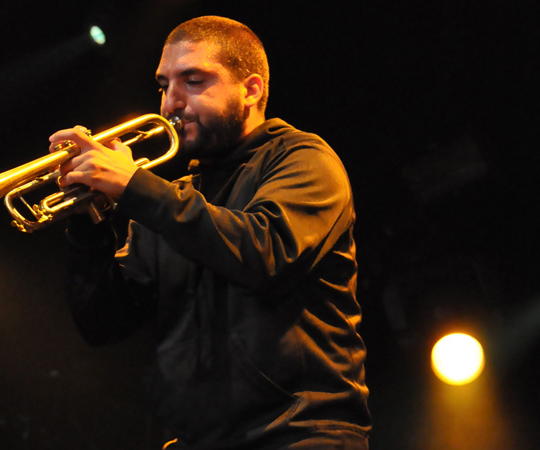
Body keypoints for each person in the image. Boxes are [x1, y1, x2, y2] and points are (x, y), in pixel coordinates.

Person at [49, 15, 371, 450]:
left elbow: (264, 254)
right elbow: (102, 322)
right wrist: (88, 221)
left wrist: (136, 188)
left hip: (300, 434)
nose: (170, 103)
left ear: (251, 90)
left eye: (194, 81)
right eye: (164, 85)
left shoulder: (303, 158)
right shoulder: (171, 200)